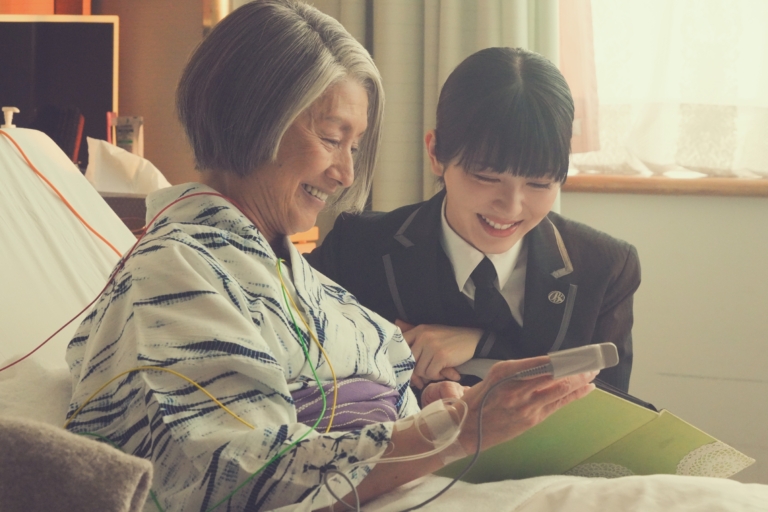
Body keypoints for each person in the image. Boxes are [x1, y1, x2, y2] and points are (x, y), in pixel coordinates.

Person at [64, 2, 596, 511]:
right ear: (250, 118)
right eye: (330, 138)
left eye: (354, 147)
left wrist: (430, 406)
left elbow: (395, 415)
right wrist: (452, 429)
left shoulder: (303, 280)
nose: (345, 174)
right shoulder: (173, 272)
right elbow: (230, 477)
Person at [307, 47, 640, 393]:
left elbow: (612, 405)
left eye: (539, 184)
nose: (510, 207)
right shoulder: (357, 247)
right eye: (486, 177)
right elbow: (299, 360)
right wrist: (382, 358)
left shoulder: (604, 268)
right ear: (435, 153)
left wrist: (485, 346)